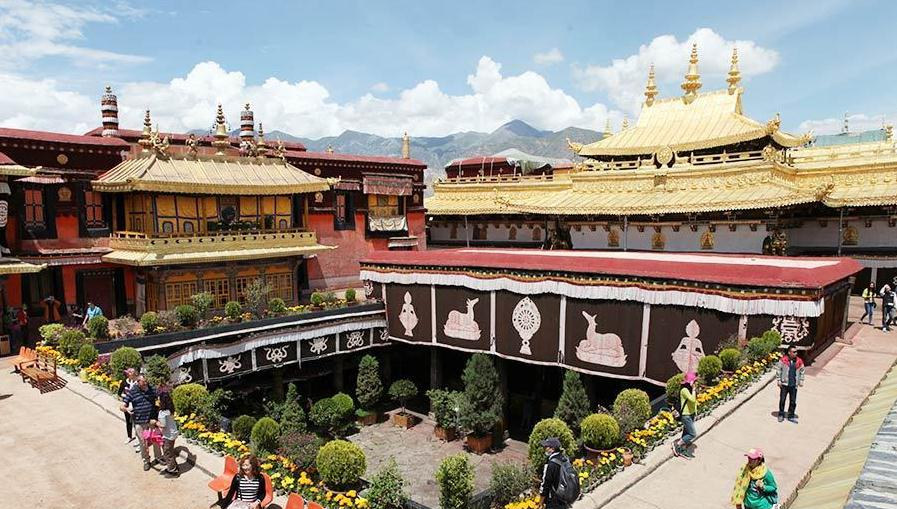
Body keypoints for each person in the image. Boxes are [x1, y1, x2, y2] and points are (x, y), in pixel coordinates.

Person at [120, 375, 160, 471]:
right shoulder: (132, 392)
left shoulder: (152, 389)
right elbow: (122, 406)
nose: (146, 384)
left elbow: (159, 396)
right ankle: (146, 461)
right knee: (143, 443)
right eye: (143, 382)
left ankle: (158, 457)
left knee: (156, 440)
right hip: (139, 421)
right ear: (138, 382)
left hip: (151, 420)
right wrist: (126, 409)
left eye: (146, 381)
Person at [151, 392, 180, 477]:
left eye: (159, 399)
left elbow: (163, 425)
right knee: (170, 451)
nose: (158, 400)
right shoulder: (170, 409)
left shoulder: (163, 412)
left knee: (167, 453)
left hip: (168, 435)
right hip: (173, 433)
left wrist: (155, 422)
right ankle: (174, 466)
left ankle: (173, 471)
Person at [539, 437, 571, 509]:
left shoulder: (551, 464)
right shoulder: (565, 458)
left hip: (553, 500)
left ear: (552, 449)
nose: (544, 448)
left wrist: (541, 502)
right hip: (564, 495)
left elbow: (546, 484)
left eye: (546, 447)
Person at [777, 345, 805, 423]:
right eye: (794, 352)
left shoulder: (799, 361)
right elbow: (779, 370)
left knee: (793, 401)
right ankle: (781, 414)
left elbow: (802, 371)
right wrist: (779, 380)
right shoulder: (783, 360)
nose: (796, 353)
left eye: (796, 352)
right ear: (789, 352)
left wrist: (801, 380)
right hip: (784, 384)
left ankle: (791, 415)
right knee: (782, 400)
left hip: (793, 385)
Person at [673, 371, 698, 458]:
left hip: (691, 414)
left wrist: (695, 412)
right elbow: (692, 400)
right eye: (694, 381)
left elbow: (693, 403)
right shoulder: (684, 390)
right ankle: (677, 444)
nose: (696, 383)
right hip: (685, 415)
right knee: (692, 434)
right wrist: (694, 390)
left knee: (687, 431)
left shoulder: (690, 389)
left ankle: (682, 448)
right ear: (690, 382)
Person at [117, 368, 139, 446]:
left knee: (136, 422)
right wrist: (125, 396)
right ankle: (129, 436)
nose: (131, 374)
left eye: (132, 372)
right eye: (129, 372)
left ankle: (138, 438)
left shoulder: (137, 382)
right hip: (127, 404)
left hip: (136, 404)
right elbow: (119, 393)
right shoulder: (124, 382)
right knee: (128, 421)